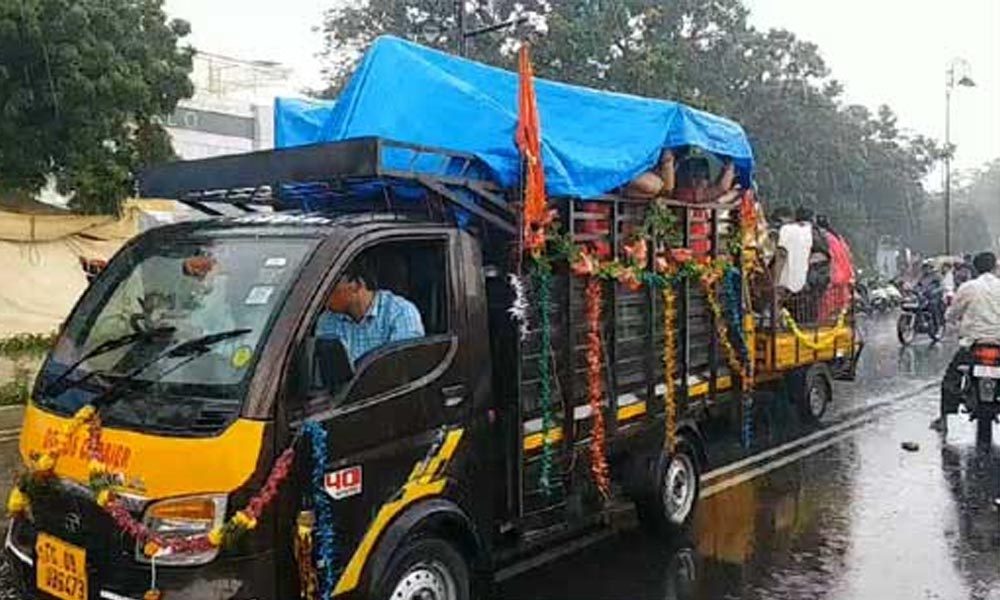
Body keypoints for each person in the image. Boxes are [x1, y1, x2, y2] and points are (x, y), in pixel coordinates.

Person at [315, 255, 425, 365]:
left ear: (357, 285)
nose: (322, 294)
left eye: (330, 286)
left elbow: (402, 366)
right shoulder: (327, 319)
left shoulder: (400, 312)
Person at [935, 252, 1000, 430]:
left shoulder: (968, 287)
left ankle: (944, 419)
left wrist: (952, 320)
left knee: (951, 378)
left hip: (973, 345)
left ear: (974, 268)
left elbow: (952, 313)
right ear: (995, 267)